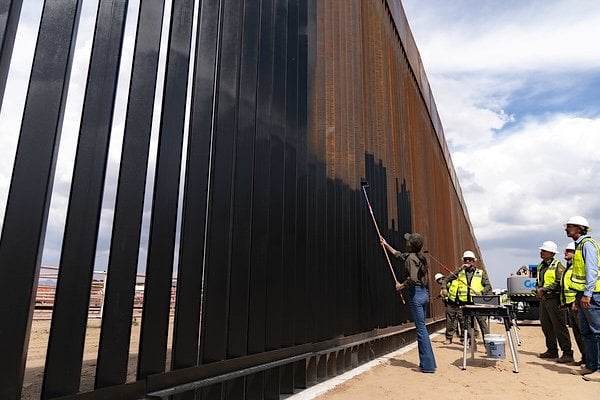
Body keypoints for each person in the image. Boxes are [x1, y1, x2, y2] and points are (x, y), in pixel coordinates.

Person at [381, 233, 437, 373]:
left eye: (408, 242)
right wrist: (386, 244)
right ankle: (429, 363)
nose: (406, 242)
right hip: (424, 294)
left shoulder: (411, 258)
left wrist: (401, 285)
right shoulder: (418, 257)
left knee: (421, 330)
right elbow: (399, 255)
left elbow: (412, 278)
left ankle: (427, 366)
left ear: (411, 245)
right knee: (423, 328)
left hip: (416, 294)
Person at [565, 216, 600, 381]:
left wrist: (587, 294)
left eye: (569, 226)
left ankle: (598, 369)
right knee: (586, 332)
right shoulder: (580, 246)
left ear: (579, 228)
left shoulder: (587, 245)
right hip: (583, 295)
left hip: (592, 296)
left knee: (597, 332)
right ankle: (591, 366)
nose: (566, 229)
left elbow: (592, 270)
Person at [535, 240, 573, 362]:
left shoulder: (558, 265)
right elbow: (540, 281)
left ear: (551, 253)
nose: (541, 253)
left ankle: (567, 353)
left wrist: (544, 289)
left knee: (559, 326)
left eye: (544, 251)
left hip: (554, 299)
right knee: (546, 326)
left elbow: (559, 283)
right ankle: (552, 350)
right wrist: (538, 289)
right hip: (544, 299)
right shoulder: (541, 266)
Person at [445, 250, 492, 339]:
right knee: (468, 325)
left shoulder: (480, 272)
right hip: (466, 303)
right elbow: (448, 278)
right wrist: (459, 269)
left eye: (470, 260)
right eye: (466, 260)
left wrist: (482, 292)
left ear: (474, 261)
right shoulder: (459, 273)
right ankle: (472, 345)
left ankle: (488, 345)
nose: (467, 262)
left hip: (478, 302)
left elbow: (488, 285)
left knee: (482, 323)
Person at [560, 241, 585, 366]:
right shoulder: (569, 266)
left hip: (577, 304)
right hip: (570, 304)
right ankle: (584, 359)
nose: (565, 253)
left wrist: (576, 300)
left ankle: (589, 360)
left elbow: (579, 285)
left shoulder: (578, 266)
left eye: (568, 251)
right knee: (577, 333)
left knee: (583, 332)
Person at [435, 272, 464, 344]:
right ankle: (449, 338)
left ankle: (463, 338)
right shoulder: (445, 283)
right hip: (451, 303)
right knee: (450, 321)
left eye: (439, 280)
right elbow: (445, 293)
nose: (439, 282)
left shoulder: (456, 280)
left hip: (460, 302)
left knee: (463, 321)